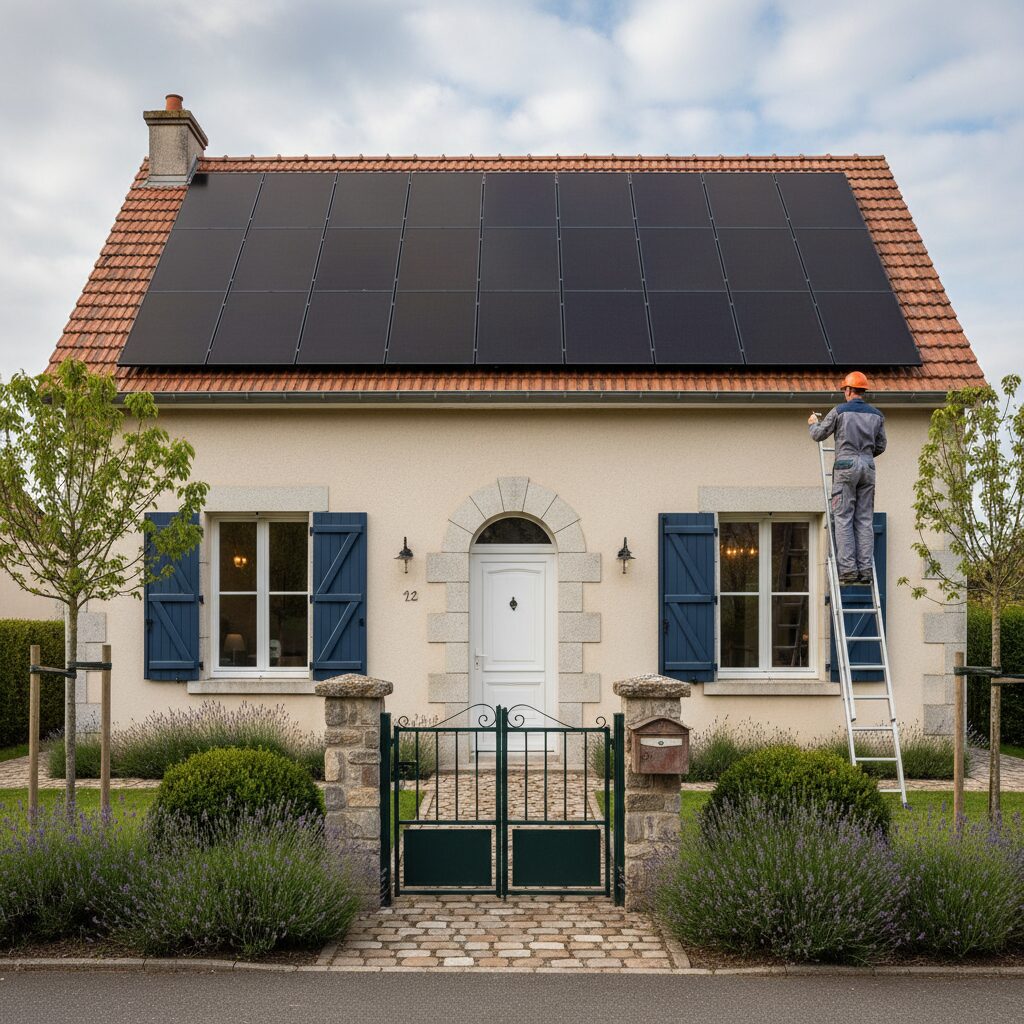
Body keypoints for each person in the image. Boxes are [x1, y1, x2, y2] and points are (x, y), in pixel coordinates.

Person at [808, 371, 887, 585]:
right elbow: (881, 445)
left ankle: (849, 570)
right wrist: (865, 456)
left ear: (850, 390)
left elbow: (818, 435)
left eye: (845, 389)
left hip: (845, 466)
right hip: (868, 467)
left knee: (843, 517)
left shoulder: (839, 411)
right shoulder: (877, 415)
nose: (844, 393)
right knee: (864, 519)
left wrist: (813, 422)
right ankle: (866, 569)